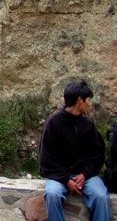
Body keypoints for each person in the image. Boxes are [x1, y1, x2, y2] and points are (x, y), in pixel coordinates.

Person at [40, 80, 111, 221]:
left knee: (101, 196)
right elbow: (47, 158)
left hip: (86, 176)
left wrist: (84, 174)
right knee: (52, 194)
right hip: (59, 176)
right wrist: (66, 180)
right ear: (79, 100)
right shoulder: (53, 123)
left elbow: (97, 155)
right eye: (88, 100)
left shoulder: (88, 126)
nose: (89, 104)